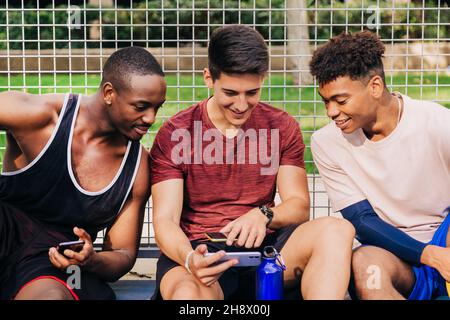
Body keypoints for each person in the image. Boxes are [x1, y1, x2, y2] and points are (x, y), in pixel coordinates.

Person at [150, 24, 355, 300]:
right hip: (200, 251)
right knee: (187, 294)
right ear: (209, 78)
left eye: (252, 92)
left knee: (337, 230)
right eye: (231, 93)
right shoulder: (176, 133)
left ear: (263, 79)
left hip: (267, 251)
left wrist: (263, 215)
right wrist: (189, 259)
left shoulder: (282, 127)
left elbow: (298, 206)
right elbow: (165, 220)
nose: (242, 104)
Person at [0, 46, 166, 300]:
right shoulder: (42, 117)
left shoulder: (136, 166)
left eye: (157, 107)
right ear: (109, 93)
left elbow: (122, 254)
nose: (150, 118)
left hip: (51, 264)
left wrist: (91, 259)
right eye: (141, 107)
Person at [309, 30, 450, 300]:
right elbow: (362, 221)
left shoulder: (439, 123)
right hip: (394, 250)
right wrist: (431, 256)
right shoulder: (325, 142)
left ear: (374, 86)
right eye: (325, 101)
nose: (331, 112)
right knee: (365, 267)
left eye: (340, 100)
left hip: (445, 232)